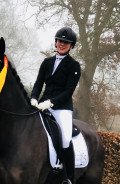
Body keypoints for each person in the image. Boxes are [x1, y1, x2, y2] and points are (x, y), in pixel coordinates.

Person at [30, 27, 81, 184]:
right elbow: (38, 84)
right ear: (55, 42)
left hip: (62, 108)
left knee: (65, 138)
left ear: (71, 46)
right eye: (59, 41)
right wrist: (33, 98)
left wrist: (51, 102)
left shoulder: (74, 66)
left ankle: (68, 177)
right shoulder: (47, 62)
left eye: (66, 42)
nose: (61, 44)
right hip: (42, 104)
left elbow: (68, 91)